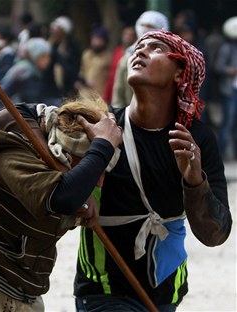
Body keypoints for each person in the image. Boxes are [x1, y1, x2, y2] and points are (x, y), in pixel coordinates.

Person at [74, 30, 232, 311]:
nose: (140, 51)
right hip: (103, 288)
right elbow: (26, 119)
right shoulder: (103, 128)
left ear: (179, 73)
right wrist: (80, 191)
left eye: (156, 47)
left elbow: (215, 235)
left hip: (166, 292)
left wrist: (195, 181)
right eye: (138, 46)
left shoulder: (196, 139)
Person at [0, 92, 122, 312]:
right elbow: (60, 197)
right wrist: (102, 144)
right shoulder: (11, 153)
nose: (99, 182)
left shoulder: (58, 175)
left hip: (22, 300)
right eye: (92, 166)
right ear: (63, 150)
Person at [0, 37, 52, 122]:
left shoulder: (37, 72)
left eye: (48, 56)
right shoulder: (21, 71)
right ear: (34, 55)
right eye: (43, 56)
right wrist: (10, 120)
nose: (47, 60)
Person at [111, 10, 169, 108]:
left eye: (150, 27)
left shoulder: (168, 58)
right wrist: (119, 115)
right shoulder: (127, 56)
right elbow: (118, 91)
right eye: (143, 25)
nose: (145, 30)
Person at [43, 16, 81, 106]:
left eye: (57, 28)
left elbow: (72, 69)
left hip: (63, 91)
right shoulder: (49, 45)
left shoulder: (70, 49)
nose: (53, 30)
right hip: (48, 88)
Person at [215, 16, 237, 160]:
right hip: (230, 90)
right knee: (227, 122)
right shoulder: (227, 47)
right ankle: (221, 155)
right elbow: (218, 66)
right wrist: (230, 70)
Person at [75, 26, 112, 100]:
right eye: (94, 38)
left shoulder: (109, 57)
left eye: (99, 39)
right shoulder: (86, 54)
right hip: (84, 95)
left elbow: (111, 78)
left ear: (104, 42)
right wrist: (79, 82)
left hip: (99, 97)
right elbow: (82, 72)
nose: (96, 42)